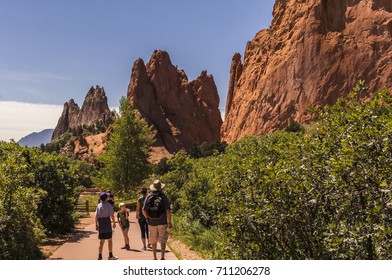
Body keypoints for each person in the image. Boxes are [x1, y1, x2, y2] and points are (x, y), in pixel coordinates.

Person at [142, 180, 172, 260]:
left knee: (153, 240)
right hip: (162, 222)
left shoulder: (148, 196)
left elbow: (144, 210)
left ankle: (155, 257)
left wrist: (147, 218)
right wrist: (169, 222)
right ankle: (162, 257)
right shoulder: (163, 196)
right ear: (161, 188)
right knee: (163, 240)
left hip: (151, 223)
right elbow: (168, 211)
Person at [95, 192, 118, 260]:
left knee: (101, 241)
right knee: (110, 240)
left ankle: (100, 256)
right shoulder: (109, 205)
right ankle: (110, 256)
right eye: (108, 197)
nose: (108, 197)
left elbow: (96, 216)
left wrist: (96, 224)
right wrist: (114, 222)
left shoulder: (98, 205)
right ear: (106, 198)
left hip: (101, 224)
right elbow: (112, 215)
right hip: (107, 223)